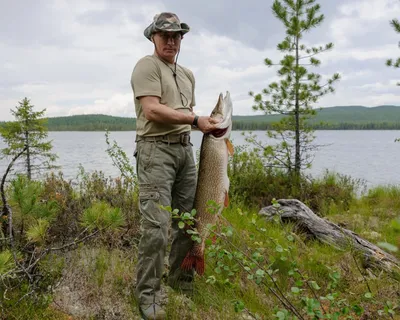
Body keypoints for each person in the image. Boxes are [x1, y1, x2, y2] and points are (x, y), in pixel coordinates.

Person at [130, 12, 220, 320]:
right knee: (156, 228)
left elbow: (184, 115)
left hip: (185, 152)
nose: (171, 40)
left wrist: (207, 126)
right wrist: (196, 120)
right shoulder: (147, 66)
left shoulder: (188, 75)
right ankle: (148, 296)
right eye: (164, 35)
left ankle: (181, 284)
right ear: (153, 37)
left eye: (176, 35)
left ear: (181, 39)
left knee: (189, 222)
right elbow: (153, 111)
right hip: (155, 152)